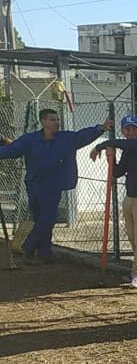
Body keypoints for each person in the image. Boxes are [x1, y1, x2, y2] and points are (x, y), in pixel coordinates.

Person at [0, 109, 112, 263]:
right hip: (34, 184)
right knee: (41, 218)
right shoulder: (30, 140)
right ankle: (45, 253)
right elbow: (12, 151)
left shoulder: (65, 138)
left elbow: (82, 136)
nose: (57, 122)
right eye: (52, 119)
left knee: (49, 217)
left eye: (57, 119)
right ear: (43, 121)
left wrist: (100, 128)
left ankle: (27, 246)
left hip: (53, 185)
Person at [90, 115, 137, 289]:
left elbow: (124, 143)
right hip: (130, 197)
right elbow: (118, 172)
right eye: (127, 129)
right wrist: (110, 158)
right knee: (133, 236)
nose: (131, 132)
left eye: (134, 128)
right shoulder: (128, 150)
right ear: (123, 131)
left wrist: (100, 145)